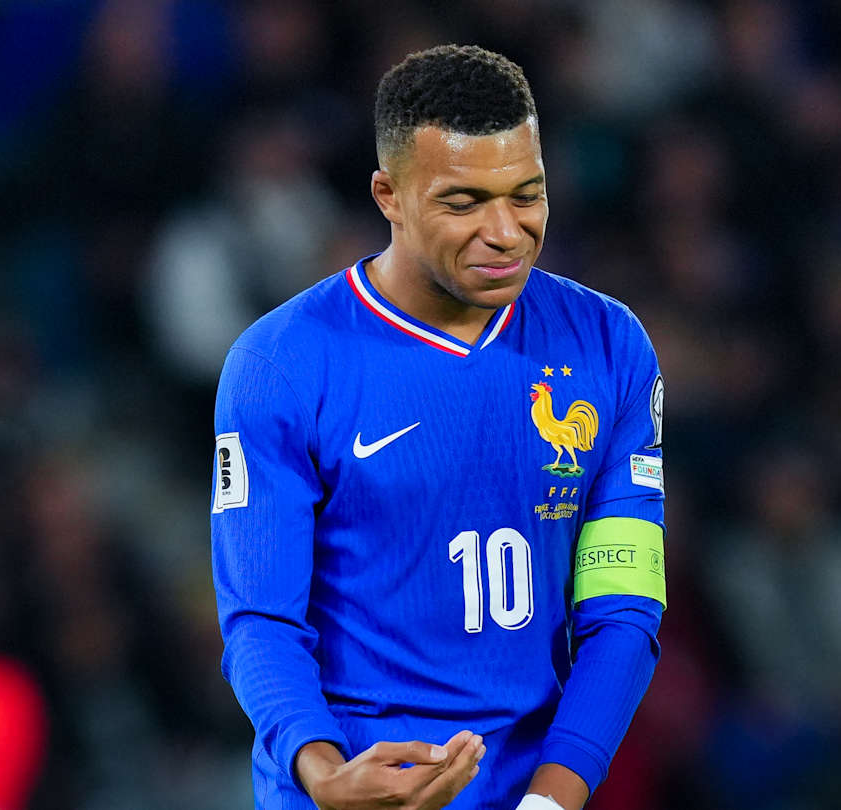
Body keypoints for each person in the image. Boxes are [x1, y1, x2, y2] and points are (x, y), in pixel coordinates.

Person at [211, 44, 667, 810]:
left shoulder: (610, 345)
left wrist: (550, 800)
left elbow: (623, 606)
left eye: (527, 195)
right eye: (464, 203)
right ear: (388, 195)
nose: (506, 231)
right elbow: (260, 619)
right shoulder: (281, 363)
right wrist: (325, 776)